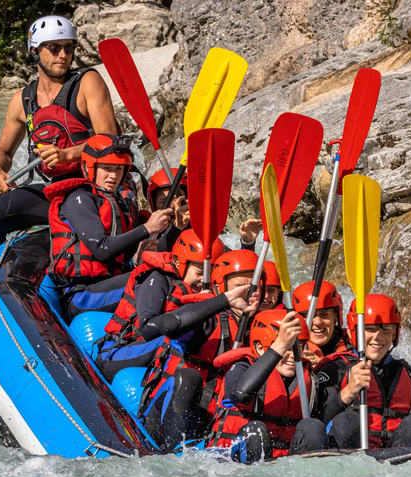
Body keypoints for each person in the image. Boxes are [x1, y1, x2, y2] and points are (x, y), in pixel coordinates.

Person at [0, 15, 120, 258]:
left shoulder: (88, 83)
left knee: (82, 225)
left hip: (93, 189)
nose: (62, 55)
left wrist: (68, 155)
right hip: (54, 190)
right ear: (34, 50)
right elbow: (4, 152)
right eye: (53, 48)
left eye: (68, 48)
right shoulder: (22, 101)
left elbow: (109, 140)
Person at [138, 249, 262, 447]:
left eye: (254, 286)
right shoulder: (206, 321)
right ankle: (174, 457)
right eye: (240, 286)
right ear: (221, 287)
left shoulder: (263, 329)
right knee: (189, 377)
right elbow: (170, 325)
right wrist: (225, 301)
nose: (248, 292)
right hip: (168, 417)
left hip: (213, 427)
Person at [44, 134, 172, 318]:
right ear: (89, 167)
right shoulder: (79, 199)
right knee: (155, 277)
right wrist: (147, 229)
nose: (113, 175)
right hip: (83, 296)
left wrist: (137, 255)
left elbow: (119, 259)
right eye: (106, 168)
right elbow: (102, 249)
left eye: (119, 169)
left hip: (107, 284)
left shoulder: (118, 203)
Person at [316, 294, 411, 450]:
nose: (378, 338)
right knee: (347, 421)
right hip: (349, 458)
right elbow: (316, 424)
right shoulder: (335, 370)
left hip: (394, 462)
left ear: (394, 334)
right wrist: (348, 392)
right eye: (370, 329)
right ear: (353, 332)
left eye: (385, 329)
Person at [95, 229, 225, 380]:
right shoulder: (157, 279)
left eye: (210, 274)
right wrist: (197, 308)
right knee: (173, 336)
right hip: (117, 352)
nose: (204, 280)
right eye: (199, 272)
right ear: (178, 263)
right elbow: (148, 329)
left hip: (158, 361)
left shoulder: (208, 290)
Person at [207, 309, 328, 462]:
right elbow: (240, 394)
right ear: (259, 348)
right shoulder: (241, 367)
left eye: (298, 347)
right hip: (234, 459)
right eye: (287, 347)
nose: (292, 355)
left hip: (283, 461)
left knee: (313, 427)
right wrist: (279, 346)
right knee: (255, 431)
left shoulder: (308, 378)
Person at [292, 281, 351, 363]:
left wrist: (322, 367)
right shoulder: (289, 351)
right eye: (309, 315)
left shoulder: (353, 344)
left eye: (324, 314)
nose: (317, 322)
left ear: (336, 317)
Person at [146, 168, 190, 251]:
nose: (173, 206)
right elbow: (157, 250)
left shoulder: (198, 226)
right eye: (164, 201)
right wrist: (177, 227)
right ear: (154, 205)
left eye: (178, 200)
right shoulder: (149, 232)